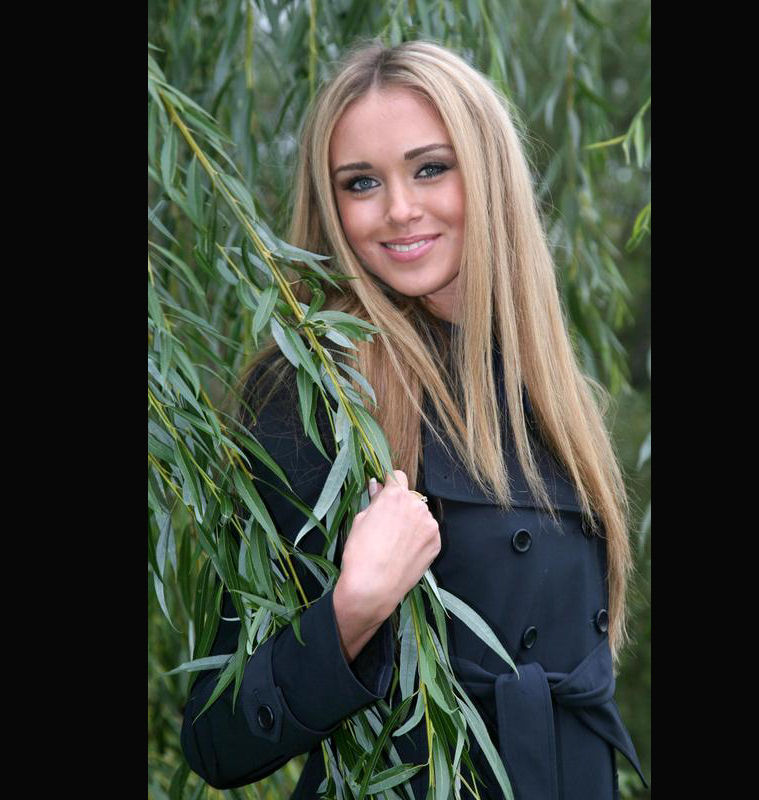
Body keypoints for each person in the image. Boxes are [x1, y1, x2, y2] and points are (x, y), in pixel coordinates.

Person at [181, 38, 648, 799]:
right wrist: (352, 611)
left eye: (430, 168)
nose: (399, 209)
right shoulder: (315, 391)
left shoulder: (547, 388)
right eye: (361, 182)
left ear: (490, 172)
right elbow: (216, 734)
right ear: (331, 205)